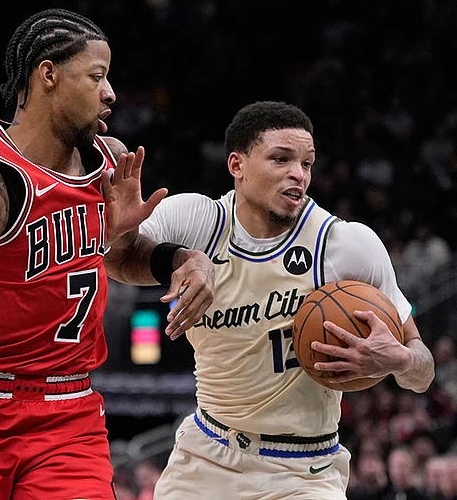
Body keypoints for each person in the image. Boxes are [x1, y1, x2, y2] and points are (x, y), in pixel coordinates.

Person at [0, 9, 214, 499]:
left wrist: (180, 259)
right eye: (97, 77)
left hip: (69, 411)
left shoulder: (108, 160)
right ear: (49, 75)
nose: (111, 93)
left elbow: (118, 258)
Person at [137, 101, 435, 499]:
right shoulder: (197, 222)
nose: (298, 174)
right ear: (236, 165)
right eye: (281, 159)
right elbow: (114, 255)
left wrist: (398, 360)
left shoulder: (346, 244)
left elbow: (423, 370)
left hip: (303, 471)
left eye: (307, 164)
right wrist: (164, 251)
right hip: (206, 454)